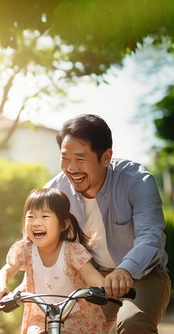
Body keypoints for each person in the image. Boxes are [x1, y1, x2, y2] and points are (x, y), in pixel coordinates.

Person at [44, 113, 171, 334]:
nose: (71, 168)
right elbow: (39, 241)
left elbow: (151, 236)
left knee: (133, 324)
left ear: (106, 157)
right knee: (61, 327)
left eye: (80, 158)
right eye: (65, 158)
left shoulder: (136, 180)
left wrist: (125, 270)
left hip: (143, 275)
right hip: (92, 280)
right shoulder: (56, 192)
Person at [0, 187, 109, 334]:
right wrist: (0, 286)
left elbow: (90, 275)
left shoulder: (72, 252)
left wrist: (106, 288)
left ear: (64, 224)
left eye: (44, 216)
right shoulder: (25, 250)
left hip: (78, 318)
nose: (36, 222)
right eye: (30, 216)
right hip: (41, 317)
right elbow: (7, 270)